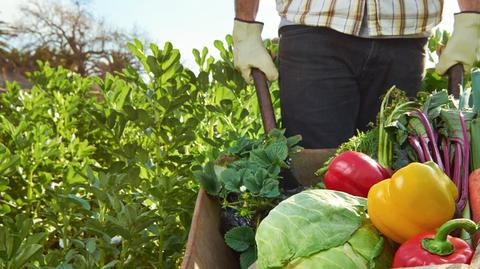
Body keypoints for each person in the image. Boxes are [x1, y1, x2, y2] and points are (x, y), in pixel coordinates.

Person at [233, 0, 479, 150]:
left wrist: (471, 18)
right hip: (313, 30)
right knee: (315, 177)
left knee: (395, 168)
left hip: (404, 35)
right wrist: (245, 24)